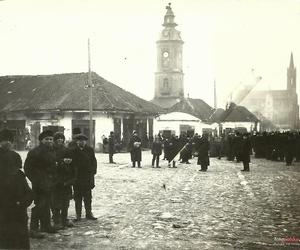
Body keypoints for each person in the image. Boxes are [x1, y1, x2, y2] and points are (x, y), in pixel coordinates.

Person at [0, 129, 33, 249]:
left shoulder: (19, 176)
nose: (7, 143)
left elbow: (29, 193)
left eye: (9, 140)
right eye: (4, 140)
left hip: (19, 215)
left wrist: (21, 203)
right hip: (3, 215)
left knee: (21, 242)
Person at [24, 130, 58, 238]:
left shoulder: (52, 151)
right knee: (39, 205)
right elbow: (27, 168)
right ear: (41, 140)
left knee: (47, 204)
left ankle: (46, 226)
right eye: (46, 139)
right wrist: (36, 180)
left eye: (50, 139)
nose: (49, 141)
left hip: (50, 182)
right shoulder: (35, 152)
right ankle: (34, 228)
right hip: (39, 183)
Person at [71, 134, 97, 221]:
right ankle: (78, 215)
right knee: (77, 197)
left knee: (88, 196)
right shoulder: (73, 151)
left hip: (87, 176)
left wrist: (93, 171)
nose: (81, 142)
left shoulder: (89, 150)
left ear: (85, 141)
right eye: (79, 140)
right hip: (77, 177)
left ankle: (88, 213)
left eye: (83, 140)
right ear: (77, 141)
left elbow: (94, 161)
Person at [52, 132, 75, 229]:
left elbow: (72, 163)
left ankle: (64, 219)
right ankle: (57, 220)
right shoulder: (51, 150)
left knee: (65, 202)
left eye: (61, 138)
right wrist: (61, 162)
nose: (60, 140)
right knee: (55, 201)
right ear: (55, 140)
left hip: (66, 179)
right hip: (55, 180)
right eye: (58, 138)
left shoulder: (67, 150)